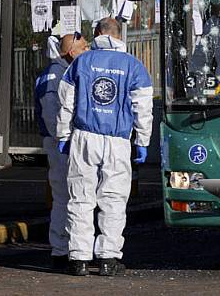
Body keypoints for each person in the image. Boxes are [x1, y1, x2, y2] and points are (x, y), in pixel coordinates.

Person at [56, 18, 153, 276]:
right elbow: (143, 108)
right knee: (113, 199)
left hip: (85, 136)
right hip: (118, 140)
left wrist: (63, 136)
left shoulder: (81, 63)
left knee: (80, 198)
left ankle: (79, 258)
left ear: (97, 34)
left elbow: (66, 102)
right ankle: (108, 258)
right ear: (118, 35)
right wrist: (142, 141)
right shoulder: (134, 66)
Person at [34, 33, 87, 270]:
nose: (87, 52)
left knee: (67, 198)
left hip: (64, 141)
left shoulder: (61, 72)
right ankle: (61, 249)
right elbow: (51, 114)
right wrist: (65, 139)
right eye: (84, 48)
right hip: (60, 143)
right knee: (66, 197)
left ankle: (64, 248)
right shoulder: (55, 76)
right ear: (71, 52)